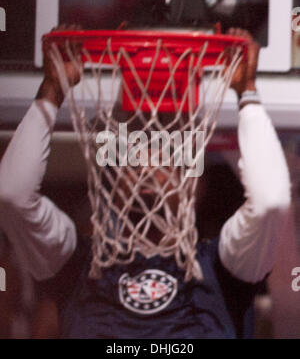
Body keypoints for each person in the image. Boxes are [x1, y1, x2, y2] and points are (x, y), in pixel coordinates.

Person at [0, 27, 291, 339]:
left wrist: (247, 92)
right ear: (113, 180)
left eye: (165, 160)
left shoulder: (224, 266)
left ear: (193, 184)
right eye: (135, 160)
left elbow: (270, 201)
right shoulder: (76, 263)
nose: (149, 169)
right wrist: (52, 91)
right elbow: (12, 194)